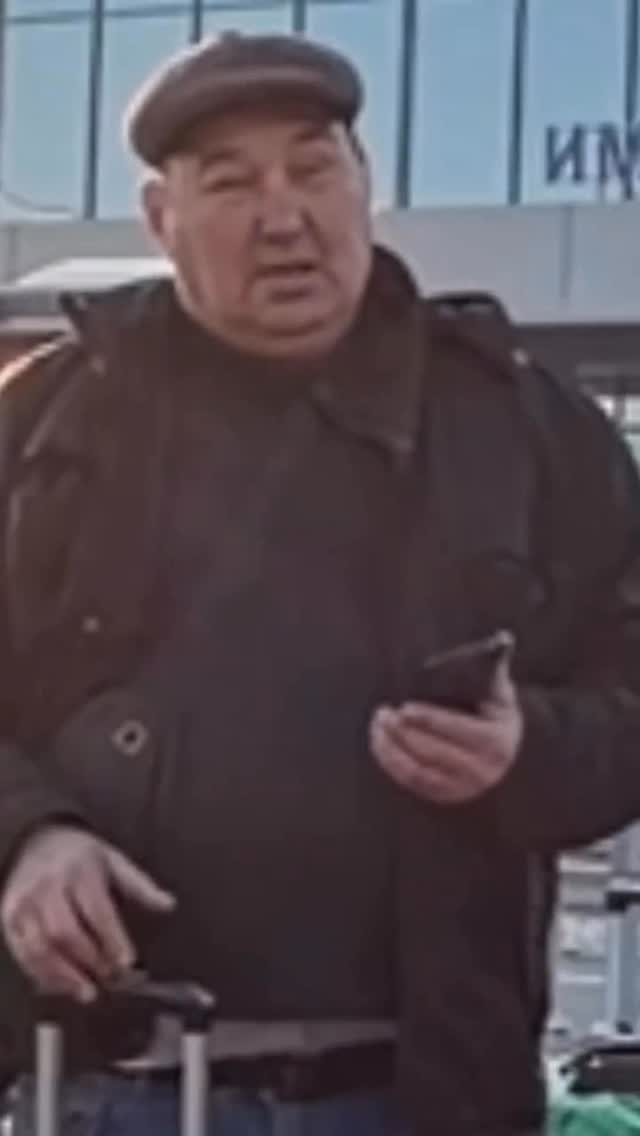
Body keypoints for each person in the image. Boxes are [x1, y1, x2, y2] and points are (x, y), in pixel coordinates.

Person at [0, 29, 639, 1136]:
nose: (283, 216)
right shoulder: (48, 421)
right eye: (231, 183)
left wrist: (528, 747)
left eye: (312, 168)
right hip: (108, 1088)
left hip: (421, 1091)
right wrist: (26, 836)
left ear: (364, 185)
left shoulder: (526, 427)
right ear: (159, 217)